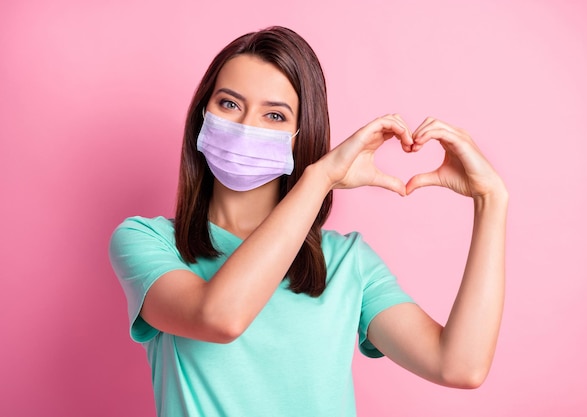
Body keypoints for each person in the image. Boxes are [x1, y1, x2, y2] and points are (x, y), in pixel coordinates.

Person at [109, 26, 508, 417]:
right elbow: (220, 317)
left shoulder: (346, 261)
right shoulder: (148, 241)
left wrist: (492, 201)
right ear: (202, 115)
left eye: (275, 115)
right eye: (229, 104)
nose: (247, 125)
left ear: (302, 135)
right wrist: (319, 177)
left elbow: (458, 365)